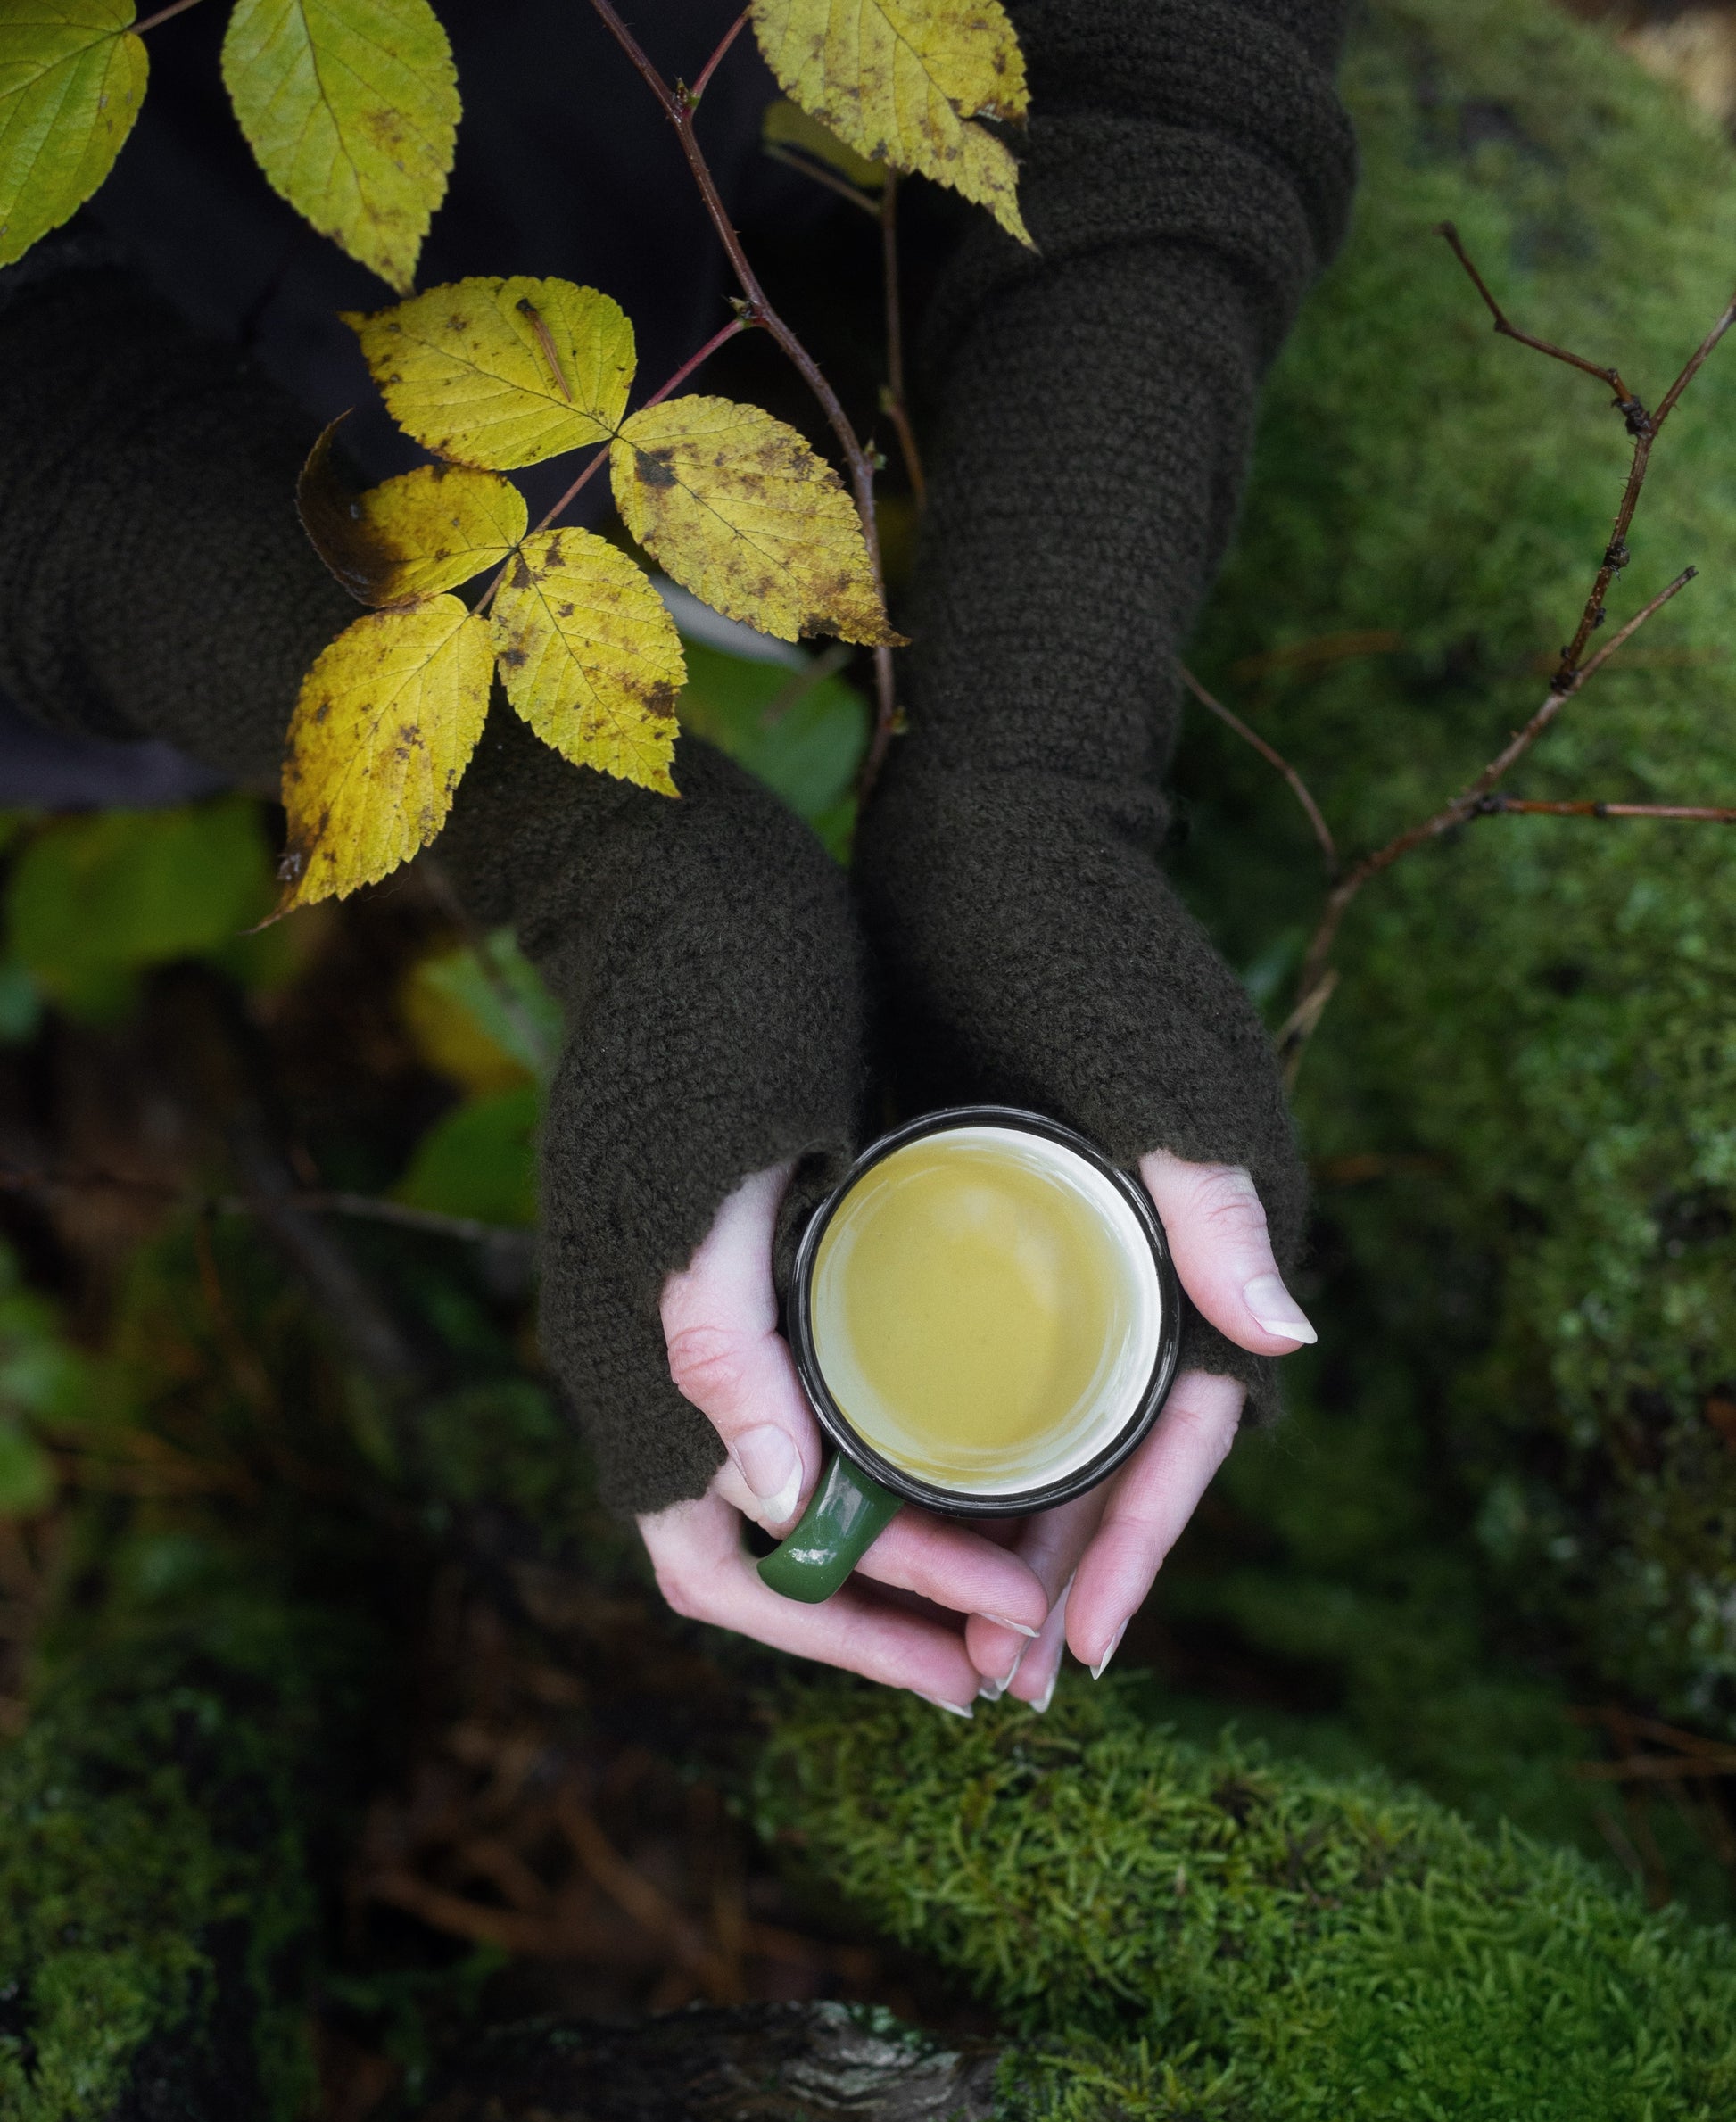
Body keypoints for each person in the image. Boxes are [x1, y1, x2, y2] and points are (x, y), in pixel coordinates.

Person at [0, 0, 1353, 1713]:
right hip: (83, 556)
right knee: (174, 730)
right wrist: (588, 853)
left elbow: (1176, 52)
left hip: (609, 297)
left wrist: (1039, 773)